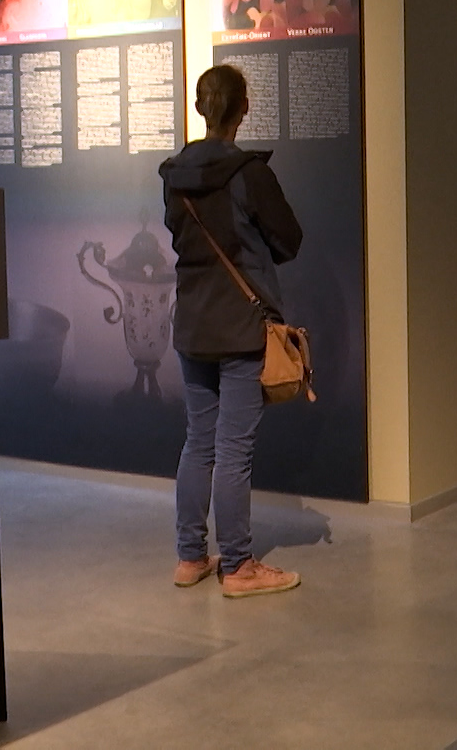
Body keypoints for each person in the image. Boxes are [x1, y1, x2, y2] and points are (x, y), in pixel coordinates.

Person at [159, 64, 304, 598]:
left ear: (202, 107)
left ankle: (190, 556)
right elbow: (289, 241)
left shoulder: (173, 175)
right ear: (243, 109)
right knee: (234, 449)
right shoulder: (250, 175)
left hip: (192, 324)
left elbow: (181, 239)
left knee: (199, 442)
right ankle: (239, 566)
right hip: (243, 327)